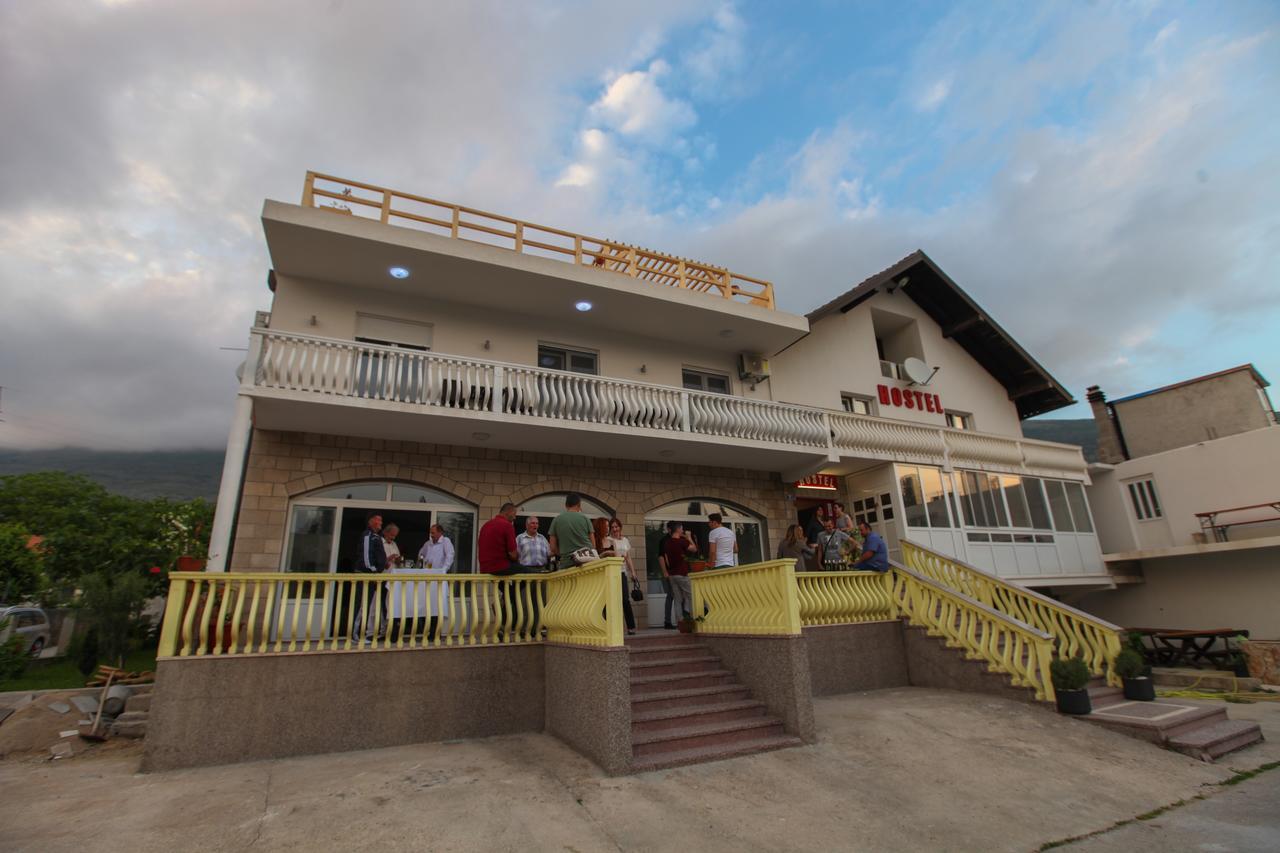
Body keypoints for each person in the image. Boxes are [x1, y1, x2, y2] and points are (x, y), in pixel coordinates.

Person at [478, 502, 522, 637]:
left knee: (510, 591)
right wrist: (517, 557)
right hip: (501, 566)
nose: (515, 518)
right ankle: (508, 612)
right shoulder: (507, 525)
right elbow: (513, 554)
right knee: (533, 575)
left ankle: (501, 617)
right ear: (507, 512)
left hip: (485, 567)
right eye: (514, 515)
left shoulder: (486, 525)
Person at [601, 517, 639, 635]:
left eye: (616, 526)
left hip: (622, 572)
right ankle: (610, 627)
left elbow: (628, 557)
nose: (614, 529)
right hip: (610, 573)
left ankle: (631, 627)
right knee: (609, 600)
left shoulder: (625, 540)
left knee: (625, 600)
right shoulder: (608, 540)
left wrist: (633, 572)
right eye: (612, 527)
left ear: (620, 527)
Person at [355, 512, 388, 640]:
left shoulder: (375, 536)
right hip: (367, 576)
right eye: (379, 520)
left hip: (374, 576)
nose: (381, 523)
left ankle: (365, 633)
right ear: (371, 521)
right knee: (362, 605)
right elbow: (366, 556)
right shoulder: (368, 535)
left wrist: (382, 564)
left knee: (369, 605)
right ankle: (355, 634)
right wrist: (373, 571)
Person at [662, 521, 697, 622]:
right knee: (691, 595)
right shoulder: (681, 541)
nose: (682, 530)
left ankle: (680, 622)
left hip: (672, 574)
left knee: (678, 599)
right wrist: (689, 537)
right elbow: (694, 549)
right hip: (682, 573)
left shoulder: (667, 543)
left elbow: (666, 559)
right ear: (678, 529)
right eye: (681, 529)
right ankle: (693, 619)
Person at [547, 492, 595, 567]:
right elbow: (593, 545)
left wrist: (565, 555)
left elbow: (552, 547)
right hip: (586, 563)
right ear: (579, 505)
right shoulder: (586, 519)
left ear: (566, 505)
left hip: (567, 563)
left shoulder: (556, 520)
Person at [656, 527, 676, 629]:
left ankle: (681, 620)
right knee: (671, 595)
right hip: (669, 572)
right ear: (669, 529)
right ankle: (667, 621)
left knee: (678, 596)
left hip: (677, 572)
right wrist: (665, 572)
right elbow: (661, 556)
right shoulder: (665, 541)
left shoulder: (677, 539)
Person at [804, 506, 827, 571]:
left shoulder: (824, 521)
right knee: (820, 564)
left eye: (821, 510)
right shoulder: (812, 522)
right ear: (815, 512)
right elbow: (807, 535)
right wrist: (805, 545)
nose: (821, 511)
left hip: (825, 545)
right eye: (818, 510)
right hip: (816, 546)